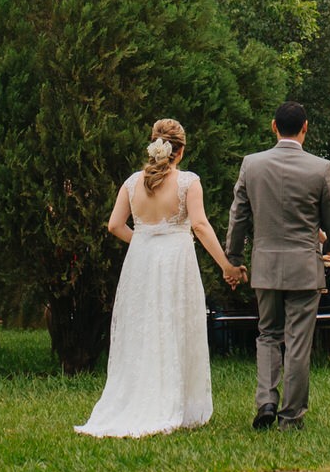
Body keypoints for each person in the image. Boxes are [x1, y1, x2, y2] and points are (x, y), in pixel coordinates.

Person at [78, 119, 243, 438]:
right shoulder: (188, 182)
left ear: (154, 146)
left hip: (140, 262)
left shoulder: (130, 183)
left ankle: (137, 398)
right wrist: (226, 265)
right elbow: (201, 225)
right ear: (179, 151)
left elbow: (114, 225)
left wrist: (143, 243)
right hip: (176, 262)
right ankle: (177, 402)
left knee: (142, 327)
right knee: (175, 326)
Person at [222, 101, 330, 431]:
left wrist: (233, 259)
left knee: (267, 335)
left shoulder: (251, 165)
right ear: (305, 127)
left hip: (265, 266)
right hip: (305, 269)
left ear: (273, 126)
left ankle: (266, 399)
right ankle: (290, 417)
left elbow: (238, 217)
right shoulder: (320, 168)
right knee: (297, 342)